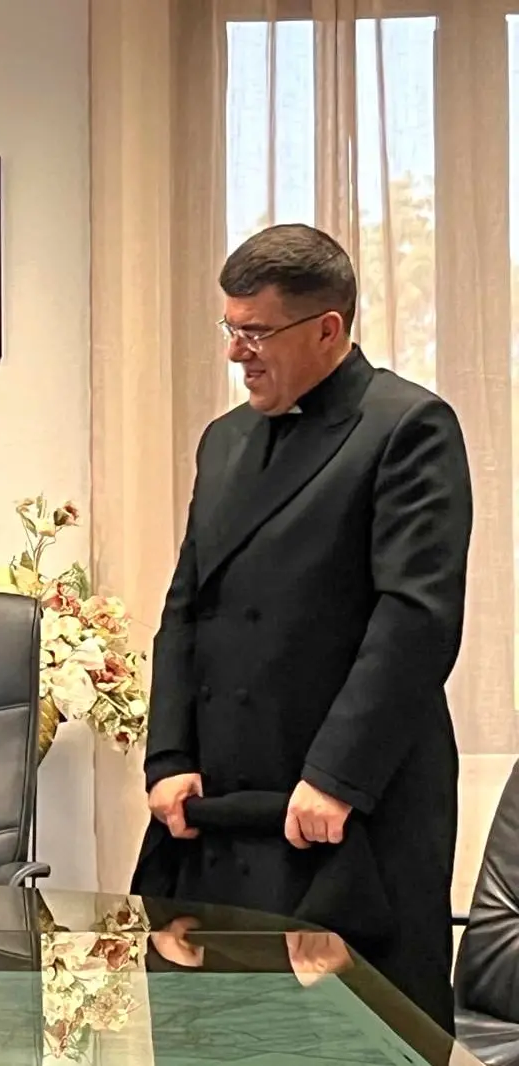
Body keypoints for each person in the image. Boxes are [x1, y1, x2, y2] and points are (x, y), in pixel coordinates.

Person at [130, 223, 472, 1030]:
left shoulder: (406, 428)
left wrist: (336, 777)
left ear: (328, 330)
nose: (237, 353)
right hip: (219, 809)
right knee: (211, 1035)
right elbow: (186, 608)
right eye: (231, 329)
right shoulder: (224, 440)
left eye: (257, 332)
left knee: (354, 1038)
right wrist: (170, 755)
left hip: (344, 808)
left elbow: (414, 619)